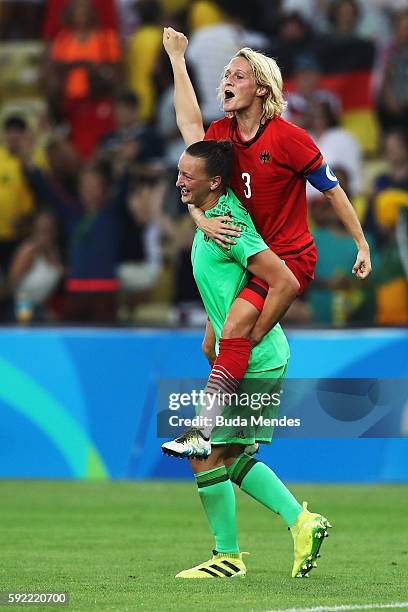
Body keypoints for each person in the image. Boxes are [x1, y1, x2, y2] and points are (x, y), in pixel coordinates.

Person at [162, 27, 372, 451]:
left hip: (287, 257)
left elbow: (332, 189)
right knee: (213, 345)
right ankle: (245, 425)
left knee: (239, 331)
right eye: (225, 75)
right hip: (247, 258)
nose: (226, 82)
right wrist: (178, 61)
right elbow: (188, 129)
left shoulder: (289, 139)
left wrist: (361, 243)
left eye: (236, 76)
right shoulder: (220, 135)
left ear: (261, 88)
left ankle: (202, 432)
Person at [162, 139, 331, 579]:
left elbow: (283, 280)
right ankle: (301, 521)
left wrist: (245, 336)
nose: (178, 180)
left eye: (187, 176)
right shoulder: (211, 215)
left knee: (204, 453)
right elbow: (228, 286)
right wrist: (214, 333)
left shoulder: (232, 226)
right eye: (179, 172)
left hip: (253, 358)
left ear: (215, 182)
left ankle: (228, 556)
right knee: (231, 456)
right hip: (250, 355)